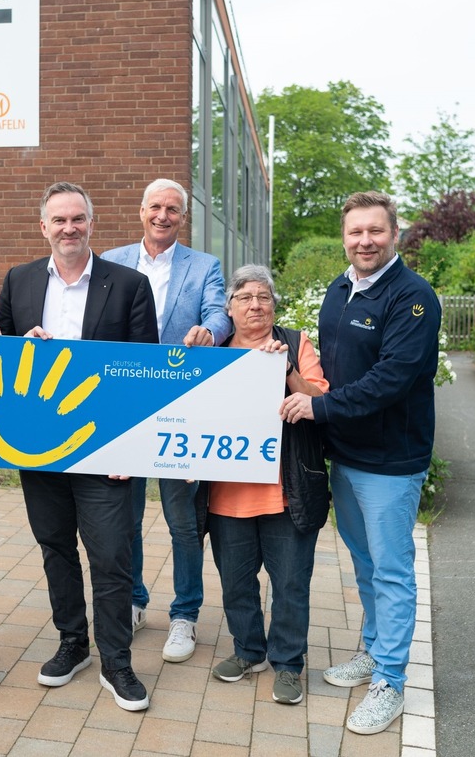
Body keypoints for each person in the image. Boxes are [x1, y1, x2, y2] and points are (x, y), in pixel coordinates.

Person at [0, 181, 159, 712]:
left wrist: (128, 453)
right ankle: (73, 643)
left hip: (104, 451)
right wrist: (11, 344)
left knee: (110, 555)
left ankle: (117, 661)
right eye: (58, 220)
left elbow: (144, 375)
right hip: (41, 448)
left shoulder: (129, 284)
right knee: (56, 548)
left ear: (92, 223)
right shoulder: (18, 281)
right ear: (43, 227)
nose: (68, 228)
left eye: (77, 219)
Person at [279, 191, 441, 734]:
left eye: (375, 231)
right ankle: (375, 652)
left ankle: (392, 681)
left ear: (395, 233)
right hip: (344, 454)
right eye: (355, 233)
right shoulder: (340, 289)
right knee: (366, 564)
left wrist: (318, 407)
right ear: (344, 237)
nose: (364, 241)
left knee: (392, 570)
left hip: (391, 462)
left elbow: (391, 380)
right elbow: (333, 373)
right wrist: (287, 375)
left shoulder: (413, 298)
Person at [101, 178, 231, 663]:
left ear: (182, 217)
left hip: (181, 405)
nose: (162, 216)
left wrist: (211, 332)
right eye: (155, 207)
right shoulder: (111, 260)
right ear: (141, 212)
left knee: (181, 520)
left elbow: (219, 312)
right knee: (125, 516)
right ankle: (134, 600)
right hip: (122, 405)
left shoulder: (205, 266)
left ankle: (186, 614)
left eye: (172, 209)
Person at [206, 264, 329, 705]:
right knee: (236, 582)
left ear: (274, 304)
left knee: (290, 584)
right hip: (225, 494)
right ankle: (248, 651)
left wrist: (288, 370)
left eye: (263, 297)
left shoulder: (295, 343)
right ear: (230, 308)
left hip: (285, 493)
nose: (255, 305)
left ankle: (289, 664)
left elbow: (320, 402)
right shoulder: (213, 349)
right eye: (245, 297)